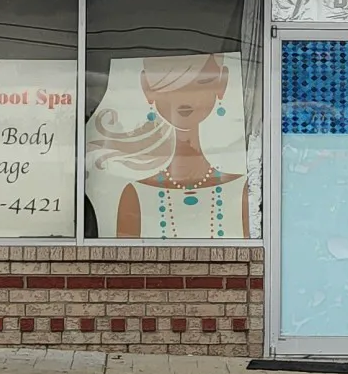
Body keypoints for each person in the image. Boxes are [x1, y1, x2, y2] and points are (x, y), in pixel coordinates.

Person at [85, 53, 252, 239]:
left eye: (202, 82)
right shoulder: (136, 196)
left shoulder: (240, 192)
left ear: (222, 83)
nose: (185, 96)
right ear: (147, 88)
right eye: (168, 84)